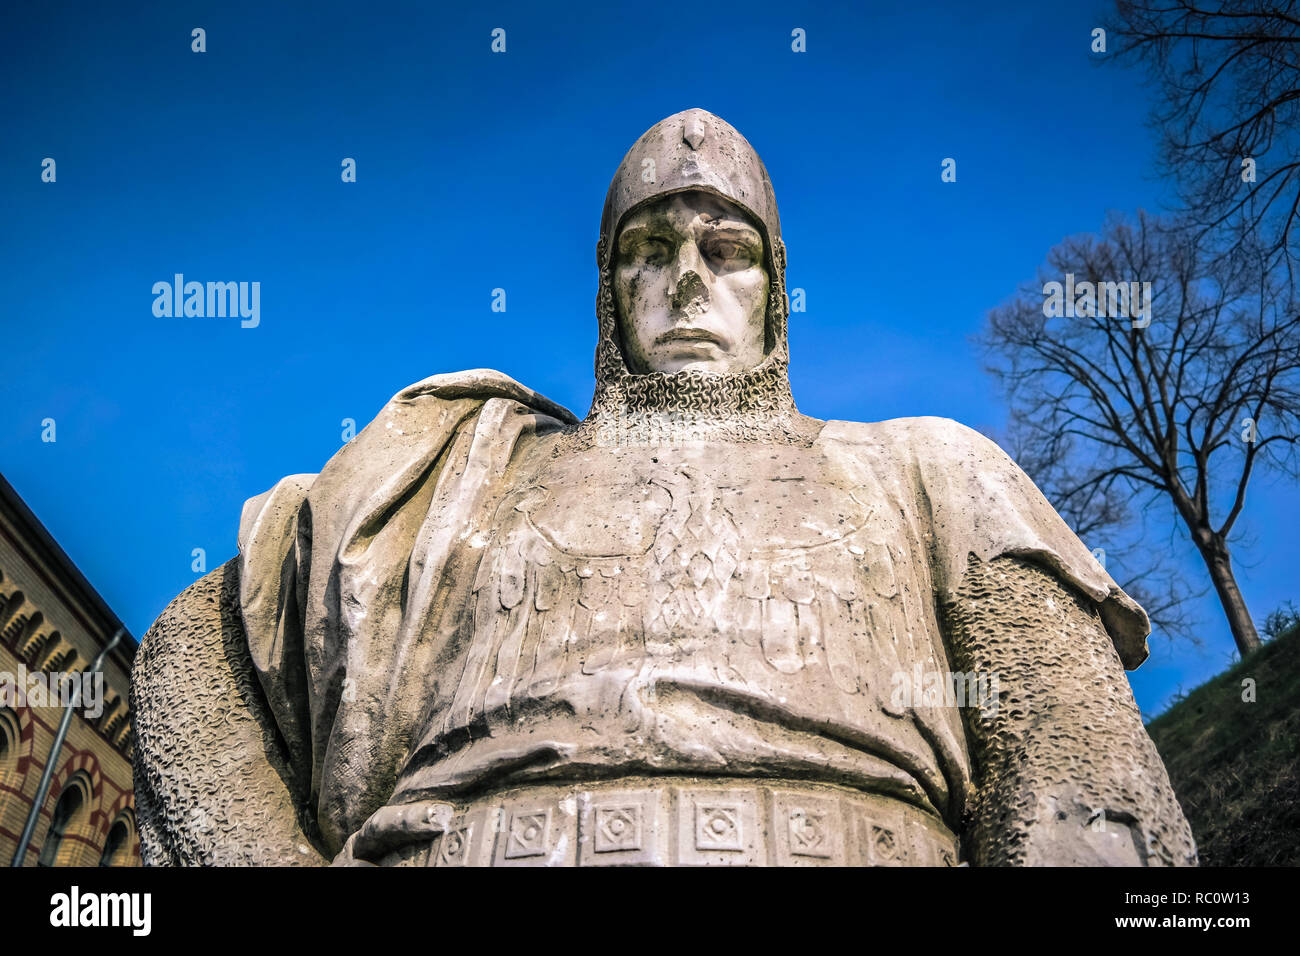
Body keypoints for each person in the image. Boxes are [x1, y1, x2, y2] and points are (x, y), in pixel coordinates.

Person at [132, 109, 1197, 867]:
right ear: (609, 292)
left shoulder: (928, 467)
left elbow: (1075, 759)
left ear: (775, 292)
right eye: (650, 247)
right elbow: (199, 644)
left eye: (724, 248)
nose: (687, 276)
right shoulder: (464, 464)